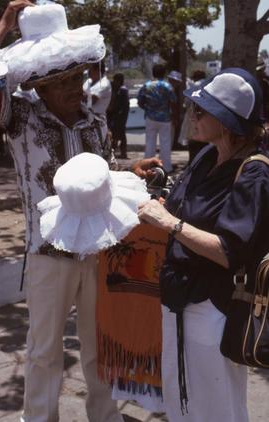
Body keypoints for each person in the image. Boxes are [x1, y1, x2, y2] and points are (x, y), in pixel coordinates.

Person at [0, 3, 160, 421]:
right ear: (41, 88)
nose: (74, 87)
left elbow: (98, 173)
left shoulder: (94, 123)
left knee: (98, 345)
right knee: (43, 351)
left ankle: (104, 417)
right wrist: (2, 34)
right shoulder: (20, 120)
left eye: (75, 78)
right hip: (47, 254)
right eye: (62, 81)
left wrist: (129, 168)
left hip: (98, 252)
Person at [138, 67, 269, 421]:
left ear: (226, 122)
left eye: (201, 111)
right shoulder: (206, 157)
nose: (191, 116)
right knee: (183, 402)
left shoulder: (254, 172)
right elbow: (185, 211)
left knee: (217, 406)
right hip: (180, 299)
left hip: (213, 307)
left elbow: (228, 251)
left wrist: (169, 222)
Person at [138, 63, 176, 173]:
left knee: (150, 143)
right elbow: (173, 102)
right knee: (165, 143)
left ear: (153, 73)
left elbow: (140, 101)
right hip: (165, 118)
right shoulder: (167, 86)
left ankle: (148, 166)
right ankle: (166, 167)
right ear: (164, 73)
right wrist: (174, 116)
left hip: (150, 117)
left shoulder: (147, 85)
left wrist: (147, 108)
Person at [107, 72, 129, 159]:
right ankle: (114, 151)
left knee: (121, 134)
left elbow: (124, 105)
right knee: (114, 134)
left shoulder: (122, 90)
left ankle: (122, 152)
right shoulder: (114, 88)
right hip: (114, 114)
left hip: (119, 115)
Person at [167, 70, 183, 150]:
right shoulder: (171, 89)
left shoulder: (166, 87)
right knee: (169, 139)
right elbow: (172, 105)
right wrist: (175, 117)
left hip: (163, 116)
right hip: (169, 117)